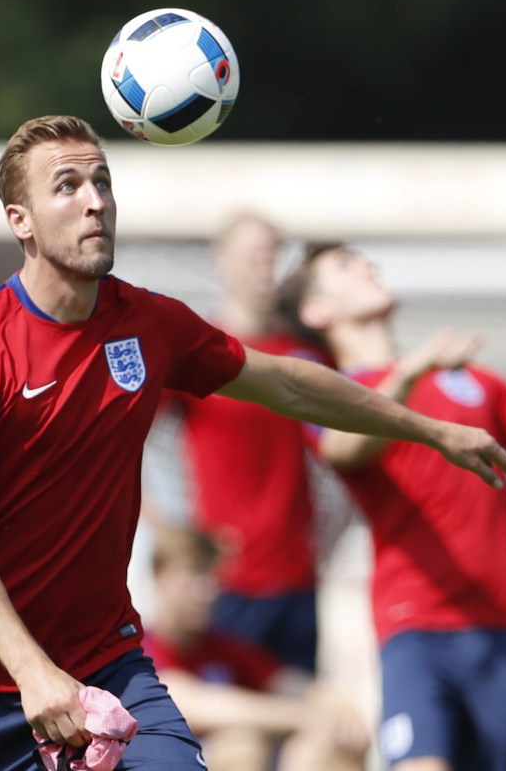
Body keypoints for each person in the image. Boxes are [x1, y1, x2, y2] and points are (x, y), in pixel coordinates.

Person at [0, 116, 506, 771]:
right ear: (20, 220)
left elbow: (287, 383)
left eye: (103, 181)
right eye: (68, 185)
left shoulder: (149, 324)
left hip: (105, 658)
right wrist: (32, 672)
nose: (96, 200)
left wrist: (433, 429)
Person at [277, 241, 506, 771]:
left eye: (365, 261)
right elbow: (345, 447)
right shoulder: (332, 393)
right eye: (346, 266)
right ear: (317, 310)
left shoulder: (473, 379)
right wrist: (412, 369)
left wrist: (423, 367)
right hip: (415, 622)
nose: (369, 266)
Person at [143, 213, 336, 671]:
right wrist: (168, 530)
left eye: (272, 255)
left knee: (302, 718)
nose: (263, 267)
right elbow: (124, 448)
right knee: (234, 728)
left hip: (299, 577)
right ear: (221, 262)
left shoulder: (305, 355)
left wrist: (329, 533)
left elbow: (342, 455)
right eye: (252, 255)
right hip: (225, 584)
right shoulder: (198, 350)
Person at [144, 524, 370, 771]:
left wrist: (340, 709)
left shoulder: (223, 647)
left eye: (211, 577)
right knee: (242, 745)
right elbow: (188, 703)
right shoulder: (143, 647)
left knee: (328, 742)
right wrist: (301, 716)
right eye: (192, 575)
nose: (205, 591)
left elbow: (295, 685)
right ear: (160, 577)